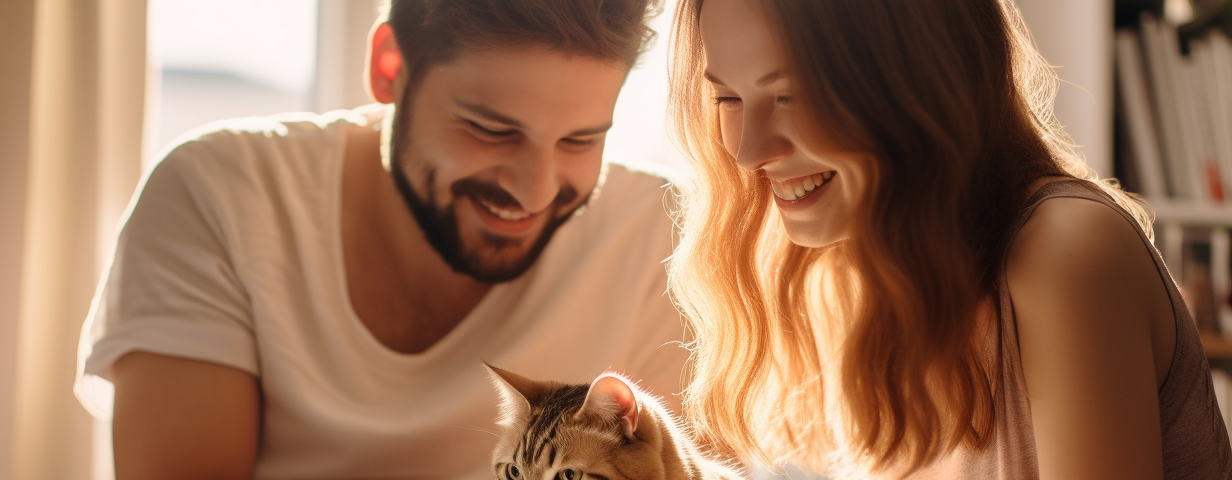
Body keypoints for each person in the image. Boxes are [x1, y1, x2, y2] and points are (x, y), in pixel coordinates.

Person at [73, 0, 688, 478]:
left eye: (581, 140)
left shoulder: (661, 232)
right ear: (390, 68)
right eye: (490, 129)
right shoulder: (219, 196)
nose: (533, 191)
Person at [666, 0, 1232, 478]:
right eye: (729, 100)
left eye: (790, 94)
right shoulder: (867, 277)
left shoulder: (1065, 254)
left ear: (917, 80)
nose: (748, 152)